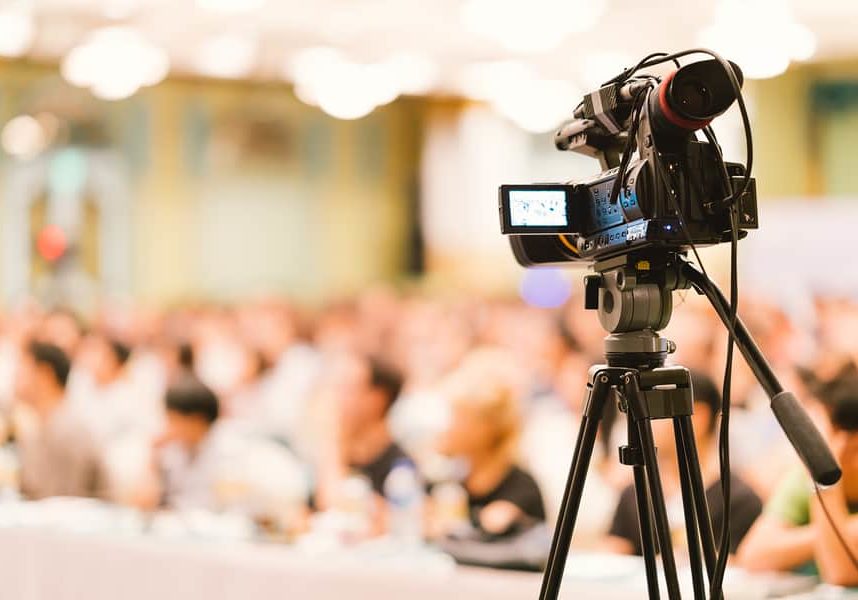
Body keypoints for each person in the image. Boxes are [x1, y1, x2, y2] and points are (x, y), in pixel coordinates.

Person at [603, 371, 762, 556]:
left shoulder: (738, 500)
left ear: (698, 416)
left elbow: (740, 568)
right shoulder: (635, 493)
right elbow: (612, 554)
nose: (647, 422)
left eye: (657, 411)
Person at [737, 371, 858, 586]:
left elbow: (840, 572)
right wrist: (840, 528)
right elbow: (754, 555)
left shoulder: (820, 480)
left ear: (847, 441)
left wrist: (826, 480)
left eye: (814, 428)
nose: (804, 438)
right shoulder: (802, 478)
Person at [437, 349, 546, 538]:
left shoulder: (522, 489)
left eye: (458, 419)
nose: (448, 429)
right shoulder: (451, 480)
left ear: (485, 429)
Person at [14, 341, 106, 499]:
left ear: (44, 375)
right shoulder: (37, 427)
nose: (16, 379)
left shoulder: (71, 431)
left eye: (23, 371)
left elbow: (64, 503)